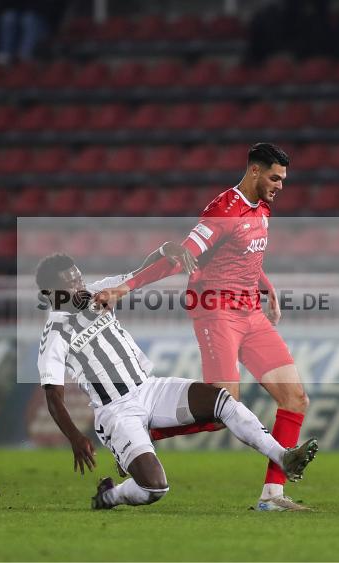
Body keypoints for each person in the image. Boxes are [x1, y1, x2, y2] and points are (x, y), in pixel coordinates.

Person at [95, 143, 314, 512]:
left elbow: (244, 254)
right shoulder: (223, 211)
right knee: (223, 407)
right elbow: (180, 257)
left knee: (295, 399)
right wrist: (124, 287)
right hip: (217, 314)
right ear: (255, 171)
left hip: (251, 315)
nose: (280, 186)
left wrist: (266, 285)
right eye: (275, 178)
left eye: (284, 179)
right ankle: (146, 434)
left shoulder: (262, 208)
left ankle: (272, 498)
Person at [35, 253, 318, 510]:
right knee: (154, 487)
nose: (80, 287)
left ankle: (284, 457)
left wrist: (161, 253)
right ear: (51, 294)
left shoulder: (98, 292)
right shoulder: (55, 334)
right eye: (71, 285)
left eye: (79, 279)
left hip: (149, 389)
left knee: (223, 401)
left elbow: (139, 273)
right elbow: (53, 396)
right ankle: (111, 495)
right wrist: (75, 437)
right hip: (116, 411)